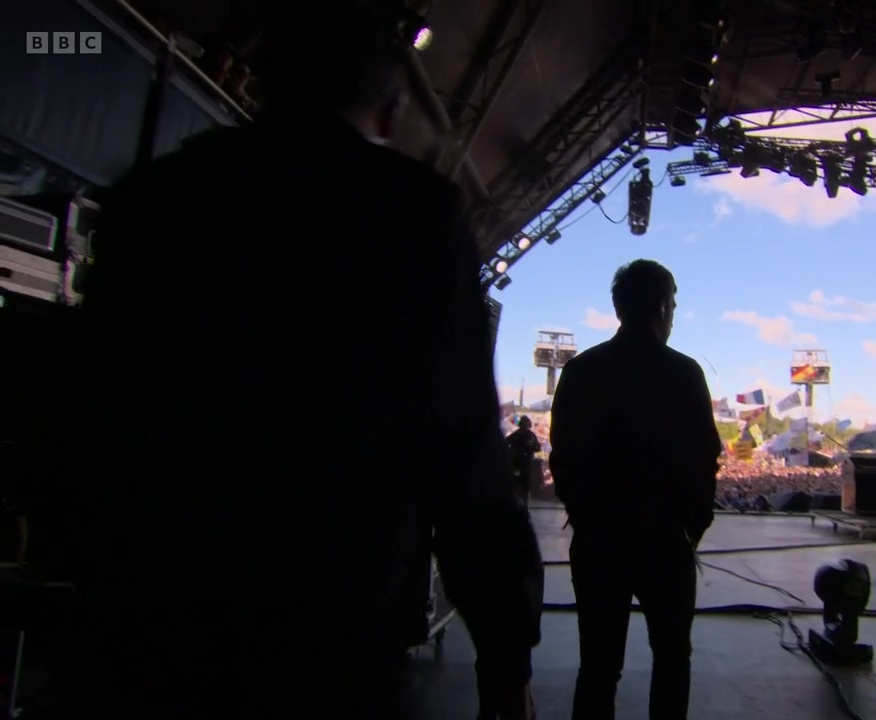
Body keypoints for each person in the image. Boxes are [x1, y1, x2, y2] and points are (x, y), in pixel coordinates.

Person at [55, 4, 542, 719]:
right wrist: (506, 652)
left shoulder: (155, 199)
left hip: (148, 612)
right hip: (329, 622)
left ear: (263, 82)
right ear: (391, 112)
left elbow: (87, 404)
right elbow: (463, 454)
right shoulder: (414, 215)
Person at [549, 259, 722, 720]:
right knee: (672, 659)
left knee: (598, 666)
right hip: (666, 543)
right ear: (662, 307)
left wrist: (587, 519)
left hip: (598, 542)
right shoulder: (684, 373)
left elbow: (562, 458)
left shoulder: (581, 370)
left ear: (620, 307)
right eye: (673, 305)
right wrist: (691, 530)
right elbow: (704, 458)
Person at [507, 416, 542, 506]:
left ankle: (525, 505)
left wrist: (533, 448)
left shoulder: (531, 435)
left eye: (526, 423)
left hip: (527, 463)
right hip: (517, 463)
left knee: (525, 485)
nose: (525, 425)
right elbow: (505, 443)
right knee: (516, 484)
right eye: (524, 423)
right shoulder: (516, 435)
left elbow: (537, 447)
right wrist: (513, 452)